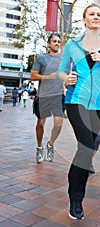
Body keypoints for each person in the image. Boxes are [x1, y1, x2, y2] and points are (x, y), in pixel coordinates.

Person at [58, 3, 100, 220]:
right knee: (85, 148)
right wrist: (66, 79)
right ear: (84, 19)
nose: (96, 17)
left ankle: (76, 183)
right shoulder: (72, 45)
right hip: (77, 101)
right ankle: (76, 198)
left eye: (99, 15)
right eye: (92, 14)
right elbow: (61, 71)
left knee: (89, 150)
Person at [31, 33, 64, 163]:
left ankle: (50, 145)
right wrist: (48, 77)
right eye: (54, 41)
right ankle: (39, 148)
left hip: (58, 95)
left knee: (58, 123)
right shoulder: (41, 58)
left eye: (58, 41)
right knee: (40, 123)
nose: (57, 43)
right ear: (49, 44)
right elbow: (33, 76)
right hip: (43, 95)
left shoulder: (63, 59)